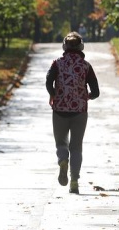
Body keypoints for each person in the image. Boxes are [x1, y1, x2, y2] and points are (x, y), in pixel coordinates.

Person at [46, 31, 99, 194]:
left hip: (59, 110)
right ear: (81, 47)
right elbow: (96, 91)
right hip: (79, 111)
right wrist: (86, 96)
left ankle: (63, 161)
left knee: (61, 143)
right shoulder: (86, 66)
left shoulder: (57, 63)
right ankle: (74, 181)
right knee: (76, 147)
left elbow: (48, 82)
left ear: (64, 46)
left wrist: (53, 94)